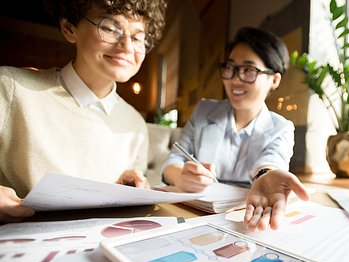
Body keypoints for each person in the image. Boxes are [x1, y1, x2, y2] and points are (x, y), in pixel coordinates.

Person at [0, 0, 167, 222]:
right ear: (70, 27)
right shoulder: (10, 88)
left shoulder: (135, 124)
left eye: (137, 37)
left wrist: (128, 188)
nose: (127, 47)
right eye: (109, 28)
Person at [162, 26, 310, 230]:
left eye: (249, 70)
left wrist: (265, 175)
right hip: (190, 216)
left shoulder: (281, 128)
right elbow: (173, 160)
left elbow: (271, 162)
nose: (234, 79)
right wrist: (180, 177)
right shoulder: (204, 111)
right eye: (230, 68)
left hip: (239, 223)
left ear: (274, 80)